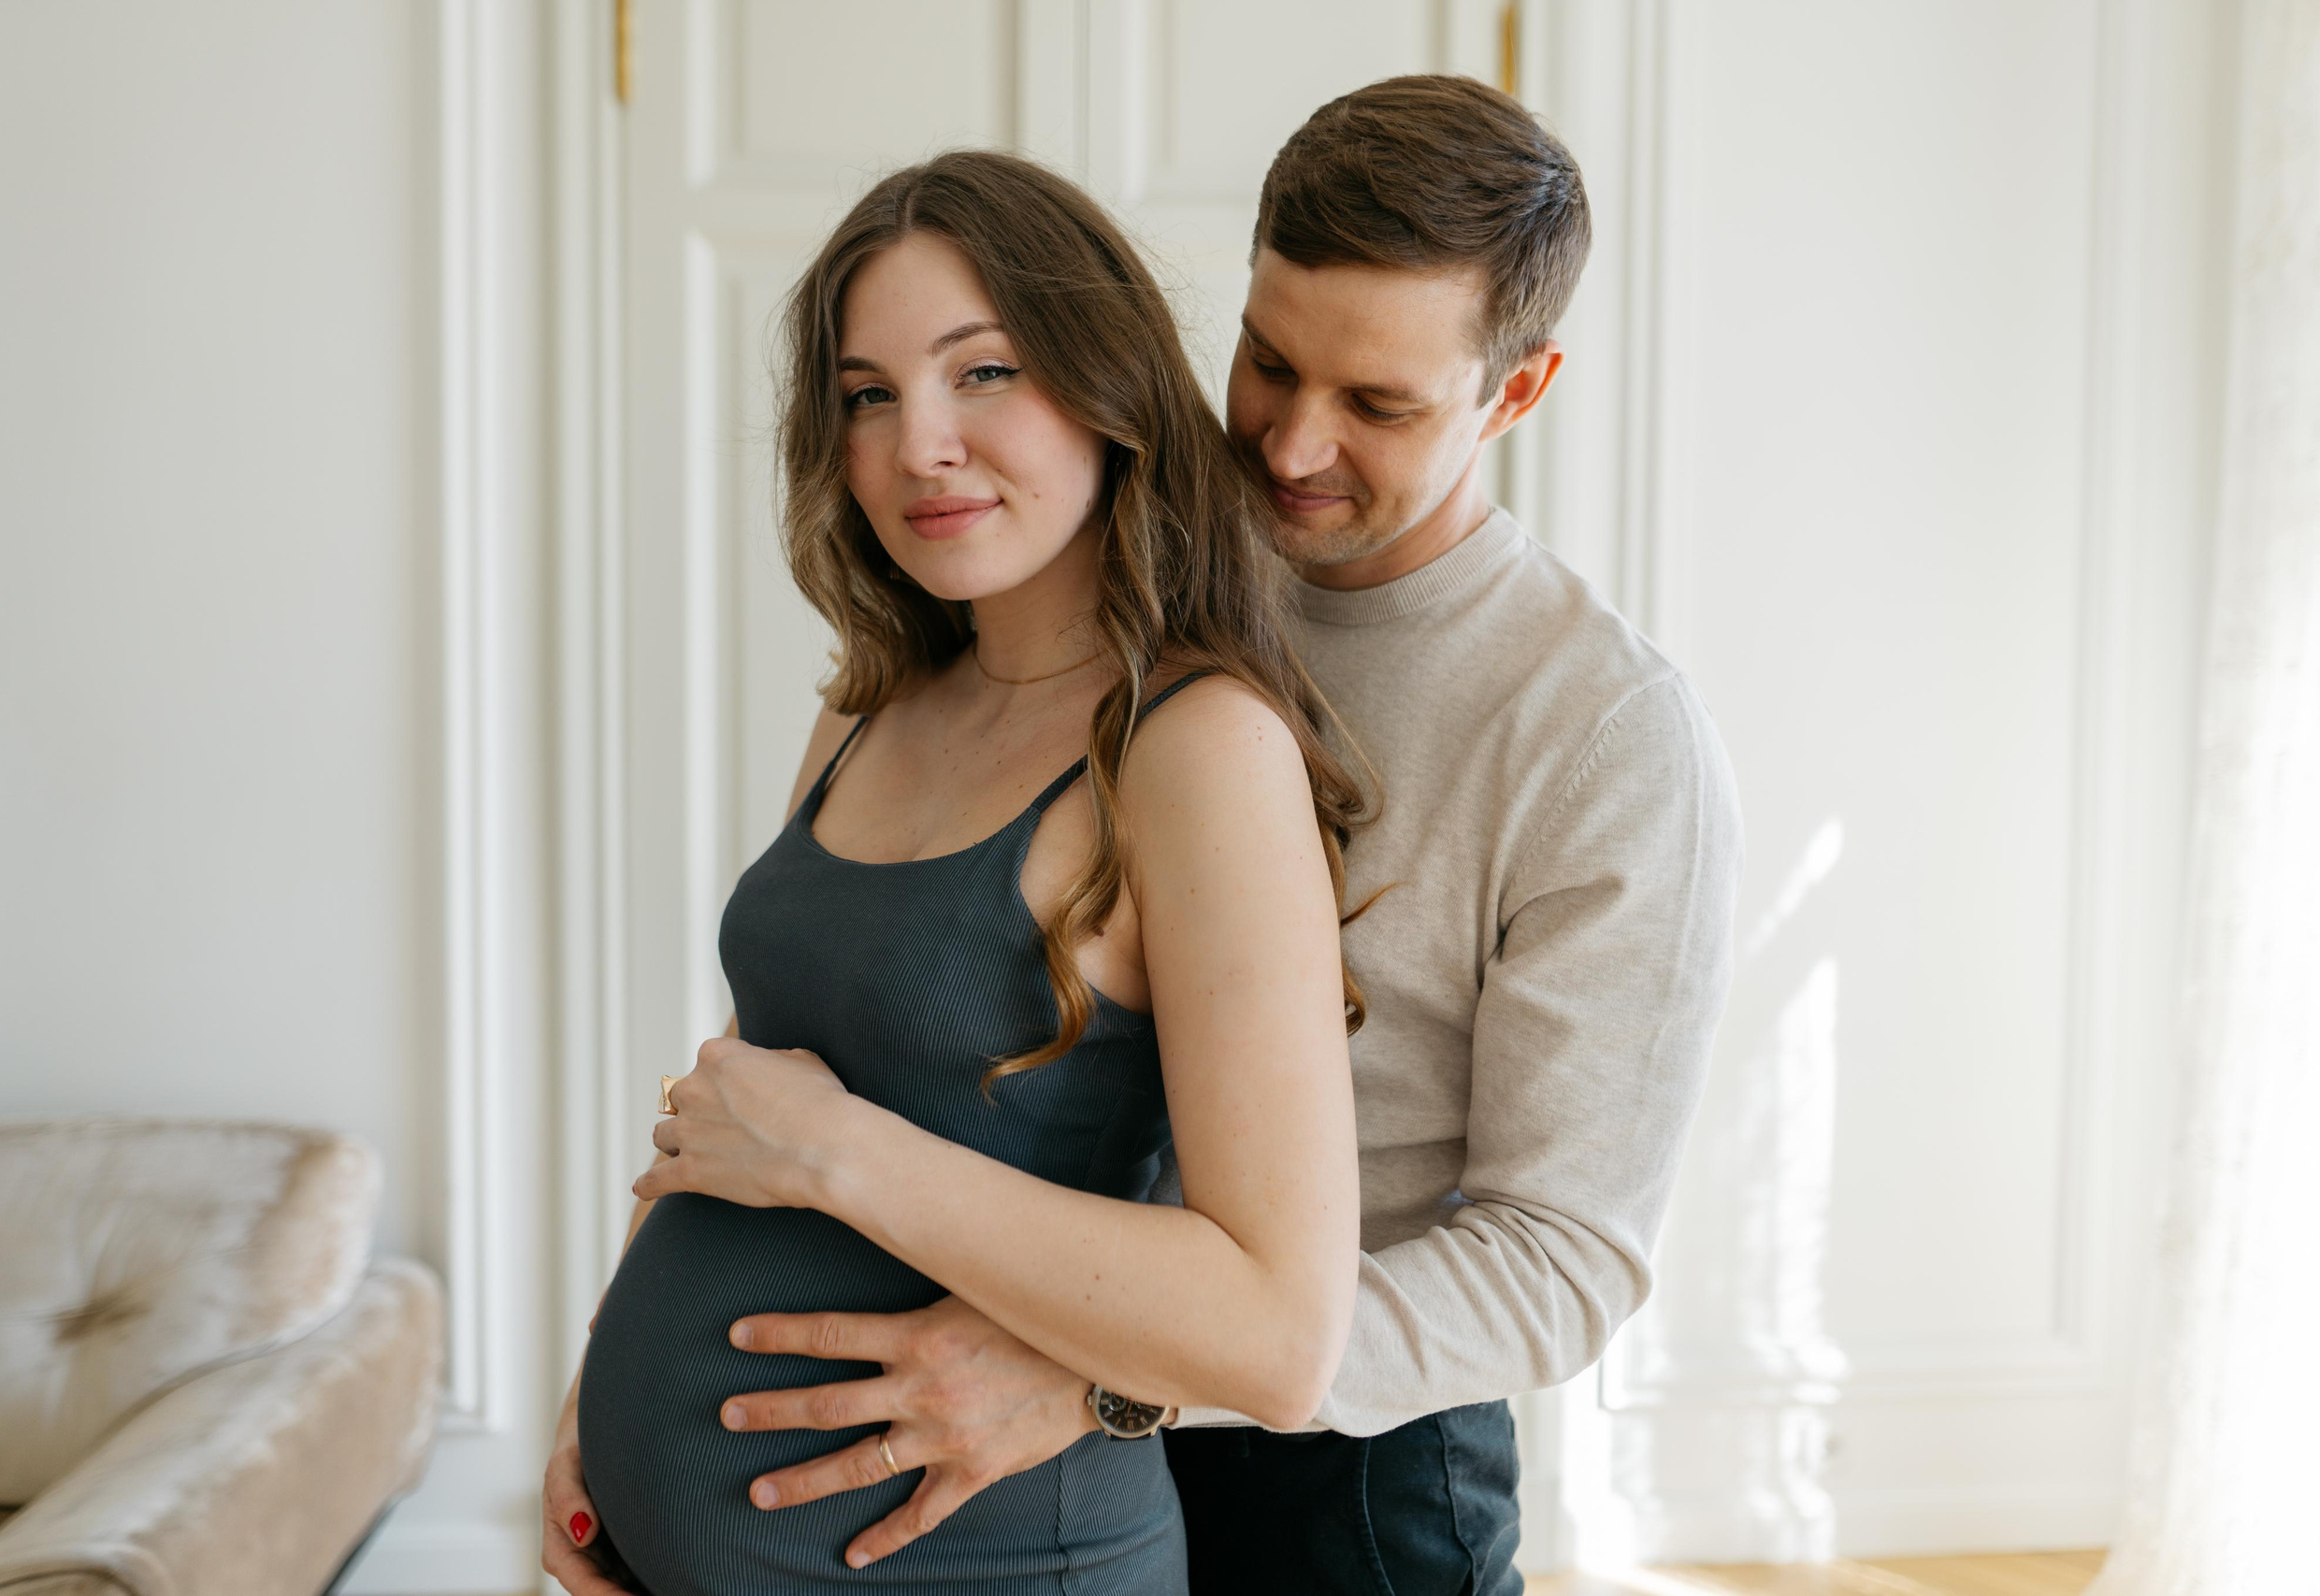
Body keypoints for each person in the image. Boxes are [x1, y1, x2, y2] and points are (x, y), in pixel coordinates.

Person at [684, 76, 1744, 1595]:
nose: (1294, 446)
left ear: (1519, 391)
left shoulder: (1603, 731)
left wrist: (1118, 1374)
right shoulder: (1104, 564)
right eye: (1265, 362)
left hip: (1333, 1475)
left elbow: (1562, 1258)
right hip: (976, 1374)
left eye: (1378, 404)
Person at [540, 151, 1376, 1595]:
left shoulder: (1199, 752)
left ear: (1108, 386)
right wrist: (593, 1402)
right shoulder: (872, 702)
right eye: (868, 394)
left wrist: (844, 1159)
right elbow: (748, 1094)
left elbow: (1280, 1334)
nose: (916, 441)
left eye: (979, 373)